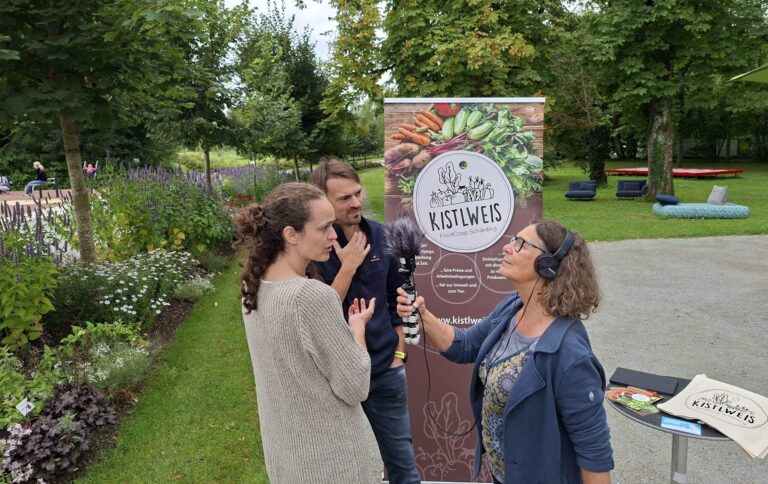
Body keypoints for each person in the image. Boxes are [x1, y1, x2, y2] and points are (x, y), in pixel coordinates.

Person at [396, 221, 614, 484]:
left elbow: (594, 453)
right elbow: (464, 346)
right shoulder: (512, 307)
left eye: (520, 244)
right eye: (513, 240)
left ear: (547, 265)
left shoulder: (570, 355)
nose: (507, 248)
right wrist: (422, 315)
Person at [235, 182, 383, 483]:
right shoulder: (310, 297)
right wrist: (357, 330)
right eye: (324, 228)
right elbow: (355, 386)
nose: (334, 235)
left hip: (287, 458)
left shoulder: (254, 288)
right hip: (334, 463)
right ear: (291, 234)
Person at [310, 157, 421, 484]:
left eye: (357, 193)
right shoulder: (313, 249)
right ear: (323, 202)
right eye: (344, 198)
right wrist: (348, 267)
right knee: (345, 472)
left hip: (385, 374)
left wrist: (399, 355)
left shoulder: (382, 236)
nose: (356, 203)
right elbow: (316, 316)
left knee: (403, 468)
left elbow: (397, 301)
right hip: (335, 381)